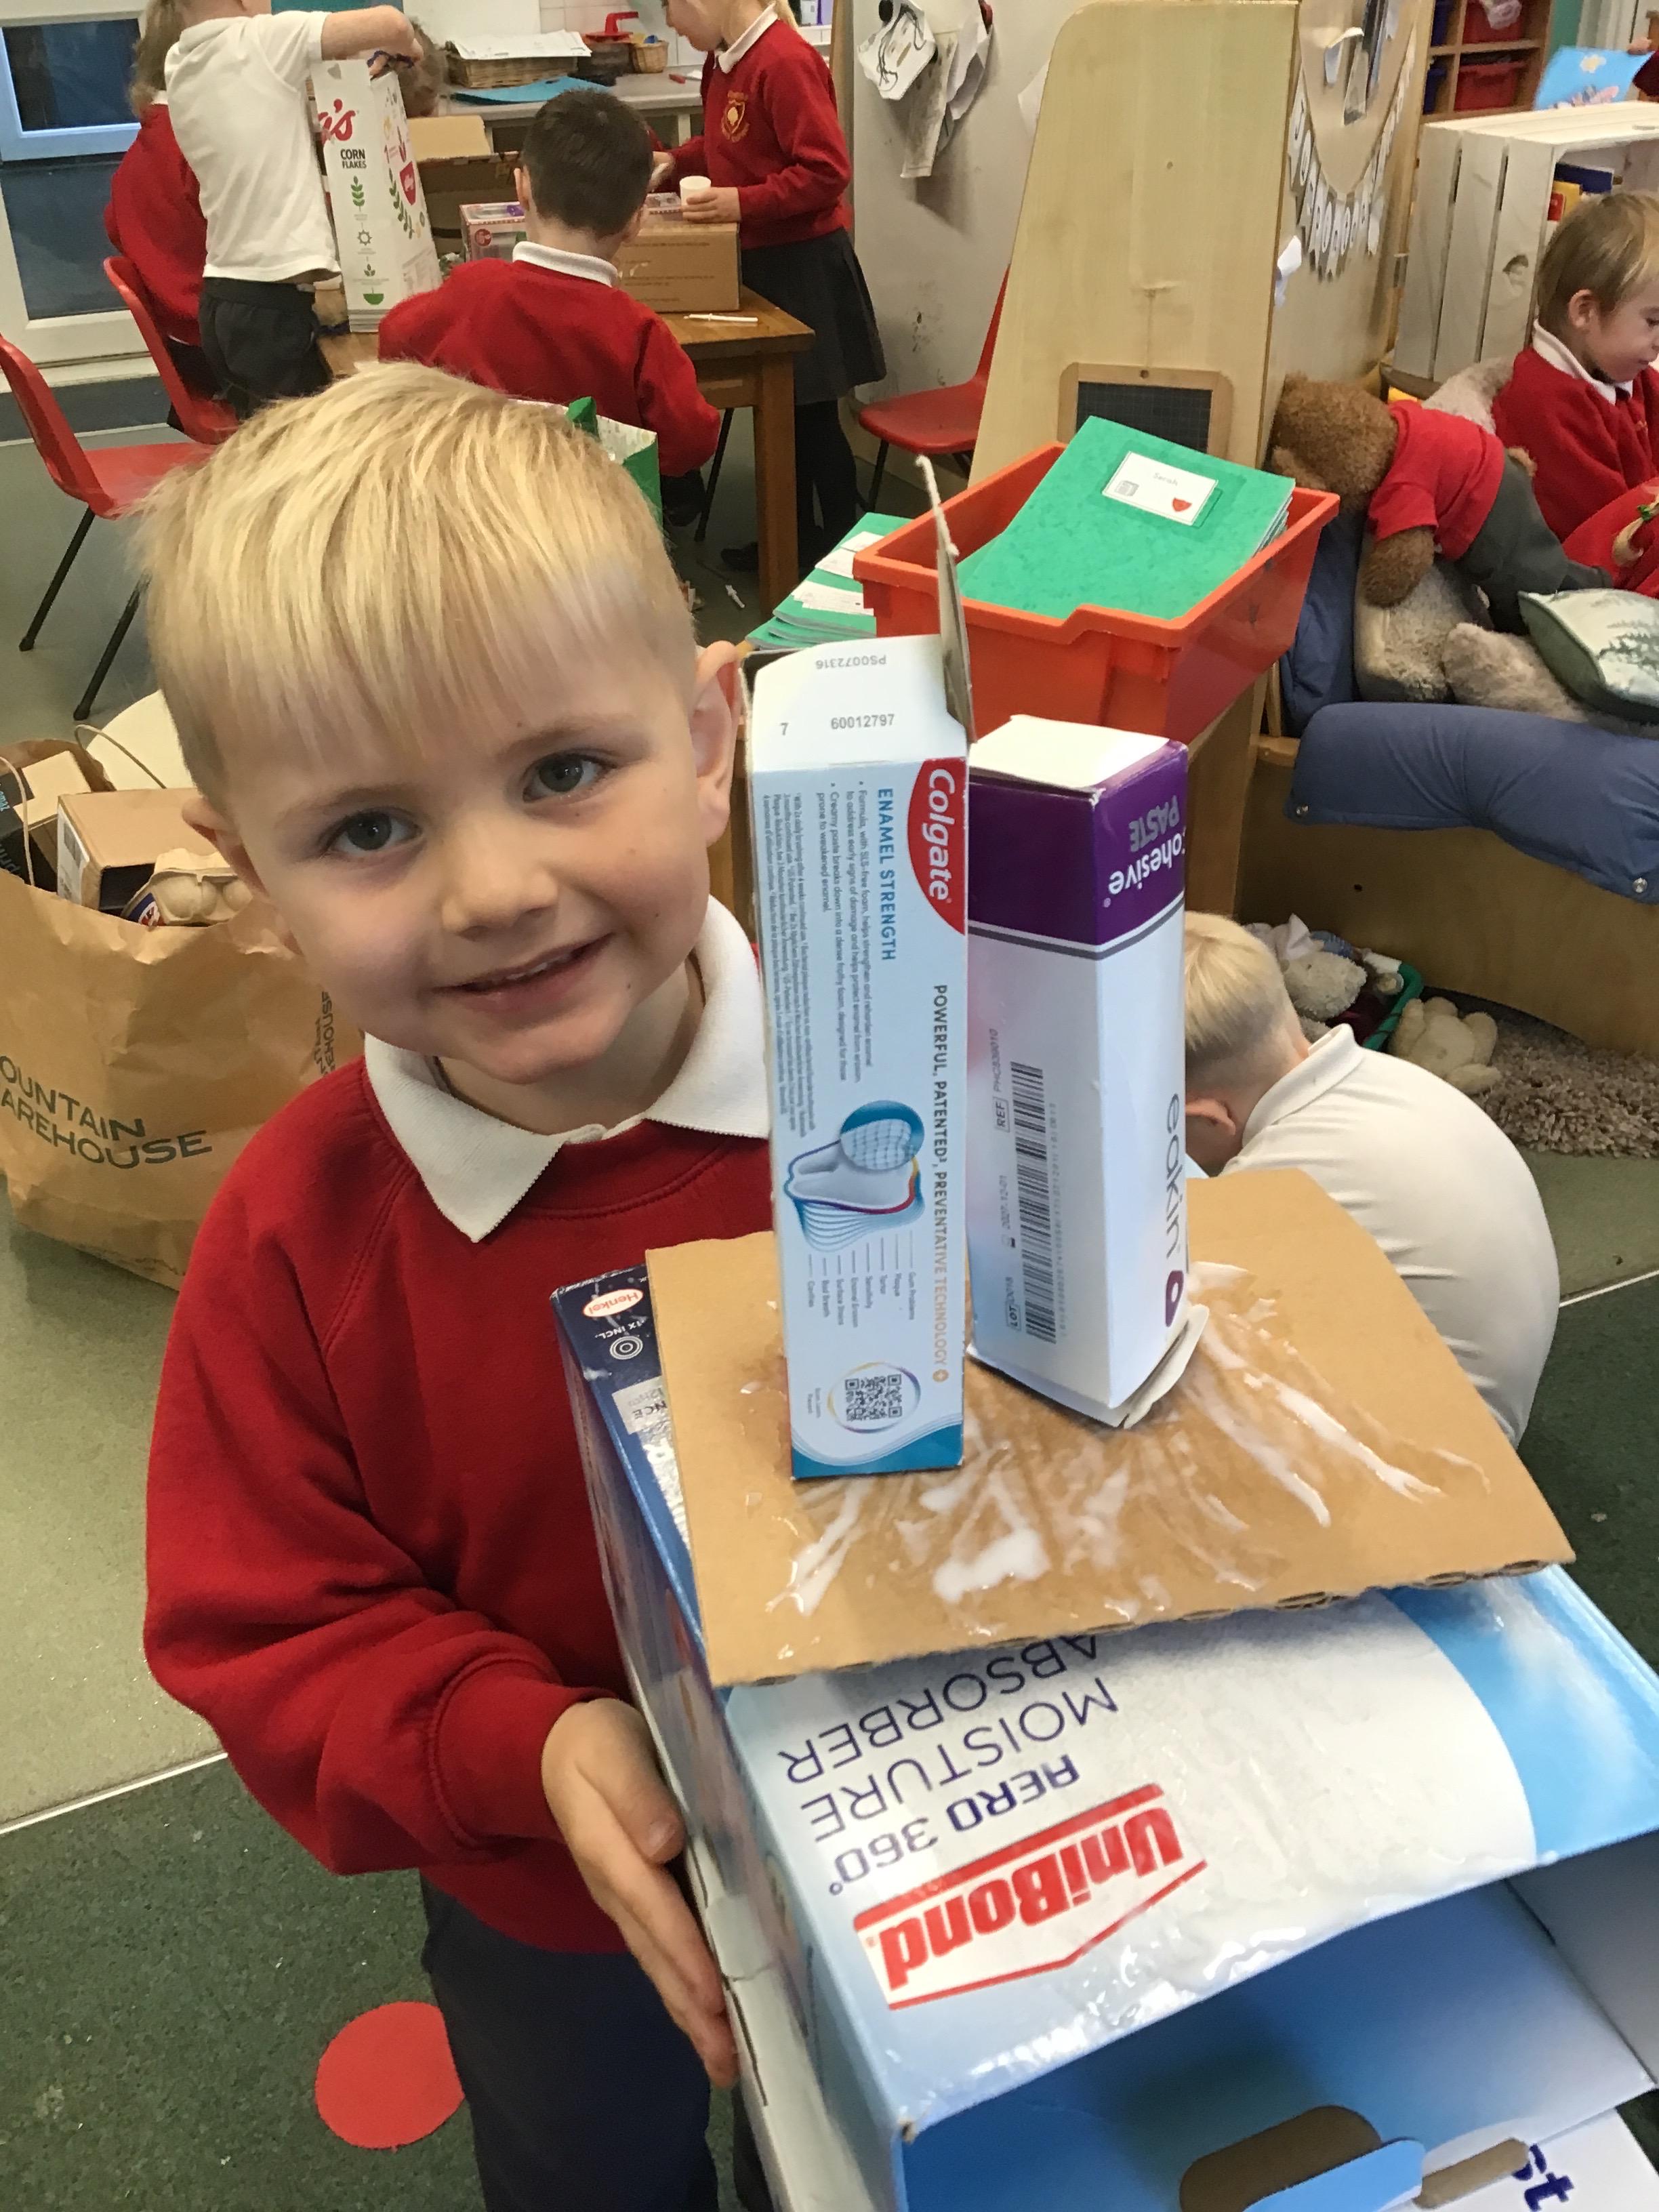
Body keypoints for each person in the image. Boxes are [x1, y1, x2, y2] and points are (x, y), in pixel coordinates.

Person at [140, 366, 773, 2212]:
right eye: (368, 830)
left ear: (706, 740)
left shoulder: (906, 1063)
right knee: (586, 2172)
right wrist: (529, 1741)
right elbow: (272, 1625)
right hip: (546, 1900)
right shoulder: (295, 1238)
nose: (493, 890)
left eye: (563, 772)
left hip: (931, 1828)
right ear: (253, 872)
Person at [1182, 913, 1559, 1445]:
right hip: (1486, 1406)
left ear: (1207, 1120)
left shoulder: (1273, 1186)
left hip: (1438, 1468)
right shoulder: (1393, 1079)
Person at [379, 90, 721, 516]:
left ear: (522, 187)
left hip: (472, 522)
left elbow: (392, 341)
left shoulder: (469, 291)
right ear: (637, 219)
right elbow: (690, 442)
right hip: (596, 530)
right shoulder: (638, 332)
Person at [659, 0, 883, 571]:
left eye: (670, 8)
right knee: (786, 415)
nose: (671, 24)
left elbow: (826, 172)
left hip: (804, 264)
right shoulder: (723, 62)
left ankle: (844, 554)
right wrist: (673, 163)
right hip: (763, 260)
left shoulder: (783, 61)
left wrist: (741, 203)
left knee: (814, 418)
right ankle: (793, 540)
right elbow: (724, 148)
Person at [165, 0, 419, 418]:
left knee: (268, 447)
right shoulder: (263, 40)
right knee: (307, 450)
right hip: (269, 311)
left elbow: (266, 112)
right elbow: (393, 24)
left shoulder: (181, 60)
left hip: (225, 300)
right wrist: (409, 50)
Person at [1492, 189, 1659, 546]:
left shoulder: (1628, 372)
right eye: (1653, 322)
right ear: (1585, 312)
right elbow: (1615, 543)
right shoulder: (1546, 406)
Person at [104, 0, 211, 396]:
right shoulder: (196, 144)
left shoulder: (144, 148)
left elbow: (115, 225)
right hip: (217, 343)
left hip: (184, 341)